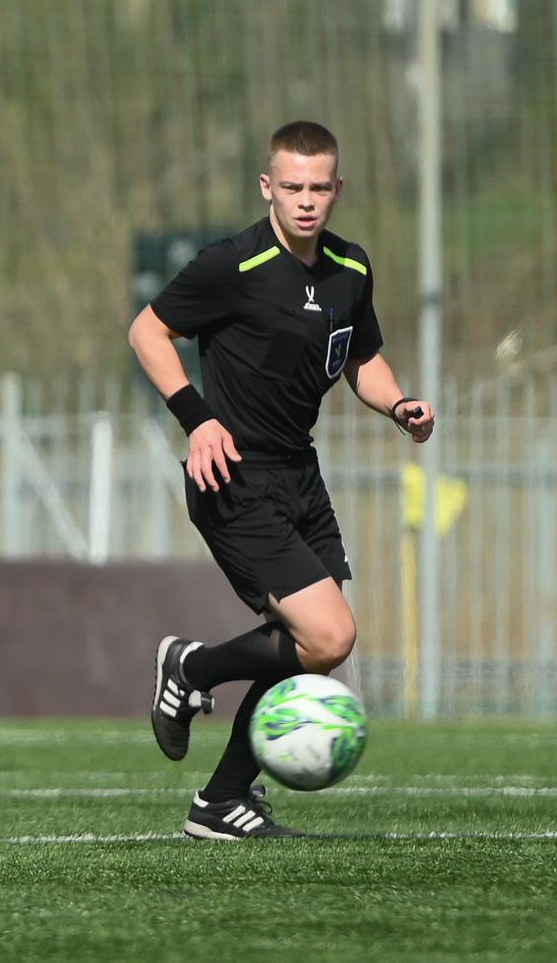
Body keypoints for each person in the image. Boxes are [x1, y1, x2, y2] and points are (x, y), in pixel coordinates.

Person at [129, 120, 435, 839]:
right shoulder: (232, 264)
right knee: (328, 634)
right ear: (267, 186)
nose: (305, 200)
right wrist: (197, 418)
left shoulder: (351, 268)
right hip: (232, 475)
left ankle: (220, 801)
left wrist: (398, 404)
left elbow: (361, 357)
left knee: (308, 649)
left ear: (337, 189)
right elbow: (147, 331)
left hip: (300, 474)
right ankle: (194, 668)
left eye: (318, 188)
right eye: (292, 186)